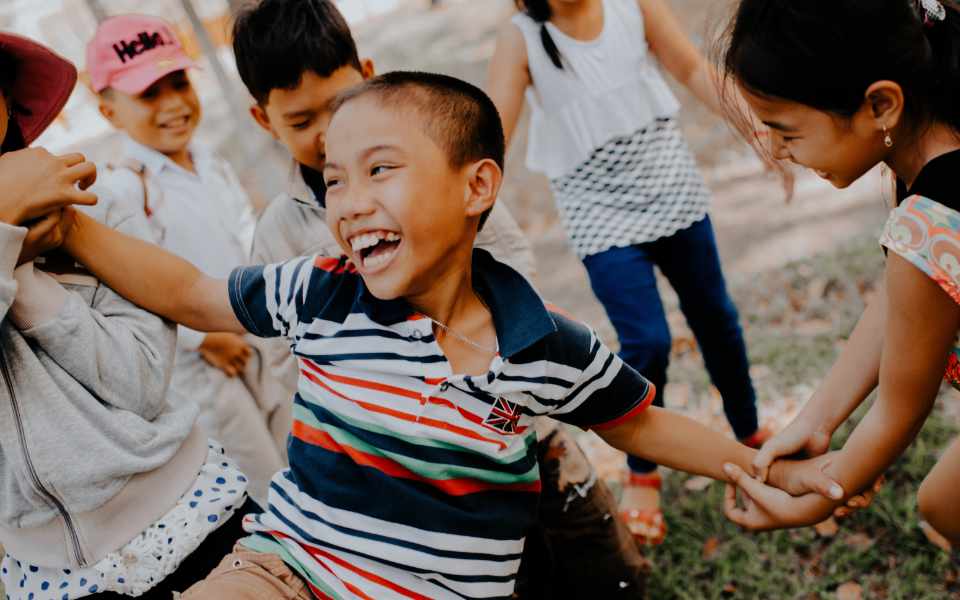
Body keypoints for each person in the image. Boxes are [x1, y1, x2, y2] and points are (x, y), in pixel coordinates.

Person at [57, 71, 837, 599]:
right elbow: (192, 294)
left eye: (380, 170)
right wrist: (70, 227)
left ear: (477, 186)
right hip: (287, 574)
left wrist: (755, 466)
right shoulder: (322, 290)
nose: (349, 201)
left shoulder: (543, 347)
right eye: (334, 179)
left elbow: (638, 421)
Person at [232, 1, 646, 594]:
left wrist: (492, 358)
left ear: (370, 72)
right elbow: (279, 357)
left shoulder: (435, 172)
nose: (329, 134)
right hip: (401, 468)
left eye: (340, 103)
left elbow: (511, 259)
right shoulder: (283, 230)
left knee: (593, 553)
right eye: (302, 122)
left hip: (507, 416)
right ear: (262, 119)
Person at [485, 0, 769, 545]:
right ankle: (643, 472)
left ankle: (748, 426)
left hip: (671, 189)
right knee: (646, 339)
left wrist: (755, 130)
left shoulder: (632, 6)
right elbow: (491, 134)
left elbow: (690, 68)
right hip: (599, 213)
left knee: (715, 315)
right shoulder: (521, 38)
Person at [0, 32, 253, 599]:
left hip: (198, 518)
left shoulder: (93, 207)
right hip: (49, 577)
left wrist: (28, 284)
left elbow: (138, 381)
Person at [715, 0, 960, 547]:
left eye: (787, 132)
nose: (778, 151)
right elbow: (908, 300)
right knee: (943, 506)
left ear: (880, 104)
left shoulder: (931, 218)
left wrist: (825, 490)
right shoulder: (941, 148)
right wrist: (818, 419)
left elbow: (899, 409)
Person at [86, 14, 286, 503]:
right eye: (149, 94)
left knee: (295, 446)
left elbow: (243, 234)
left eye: (179, 83)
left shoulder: (211, 160)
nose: (174, 104)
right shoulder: (122, 190)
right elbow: (128, 282)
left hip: (259, 331)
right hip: (204, 363)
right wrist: (202, 340)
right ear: (110, 112)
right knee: (257, 479)